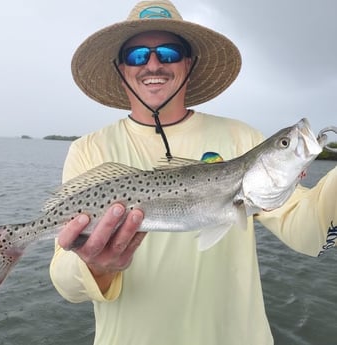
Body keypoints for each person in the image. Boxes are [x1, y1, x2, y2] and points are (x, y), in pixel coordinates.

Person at [49, 1, 337, 344]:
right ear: (120, 68)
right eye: (138, 55)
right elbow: (64, 281)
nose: (153, 63)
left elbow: (313, 235)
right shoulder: (88, 150)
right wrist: (97, 267)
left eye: (169, 52)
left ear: (189, 62)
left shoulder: (242, 137)